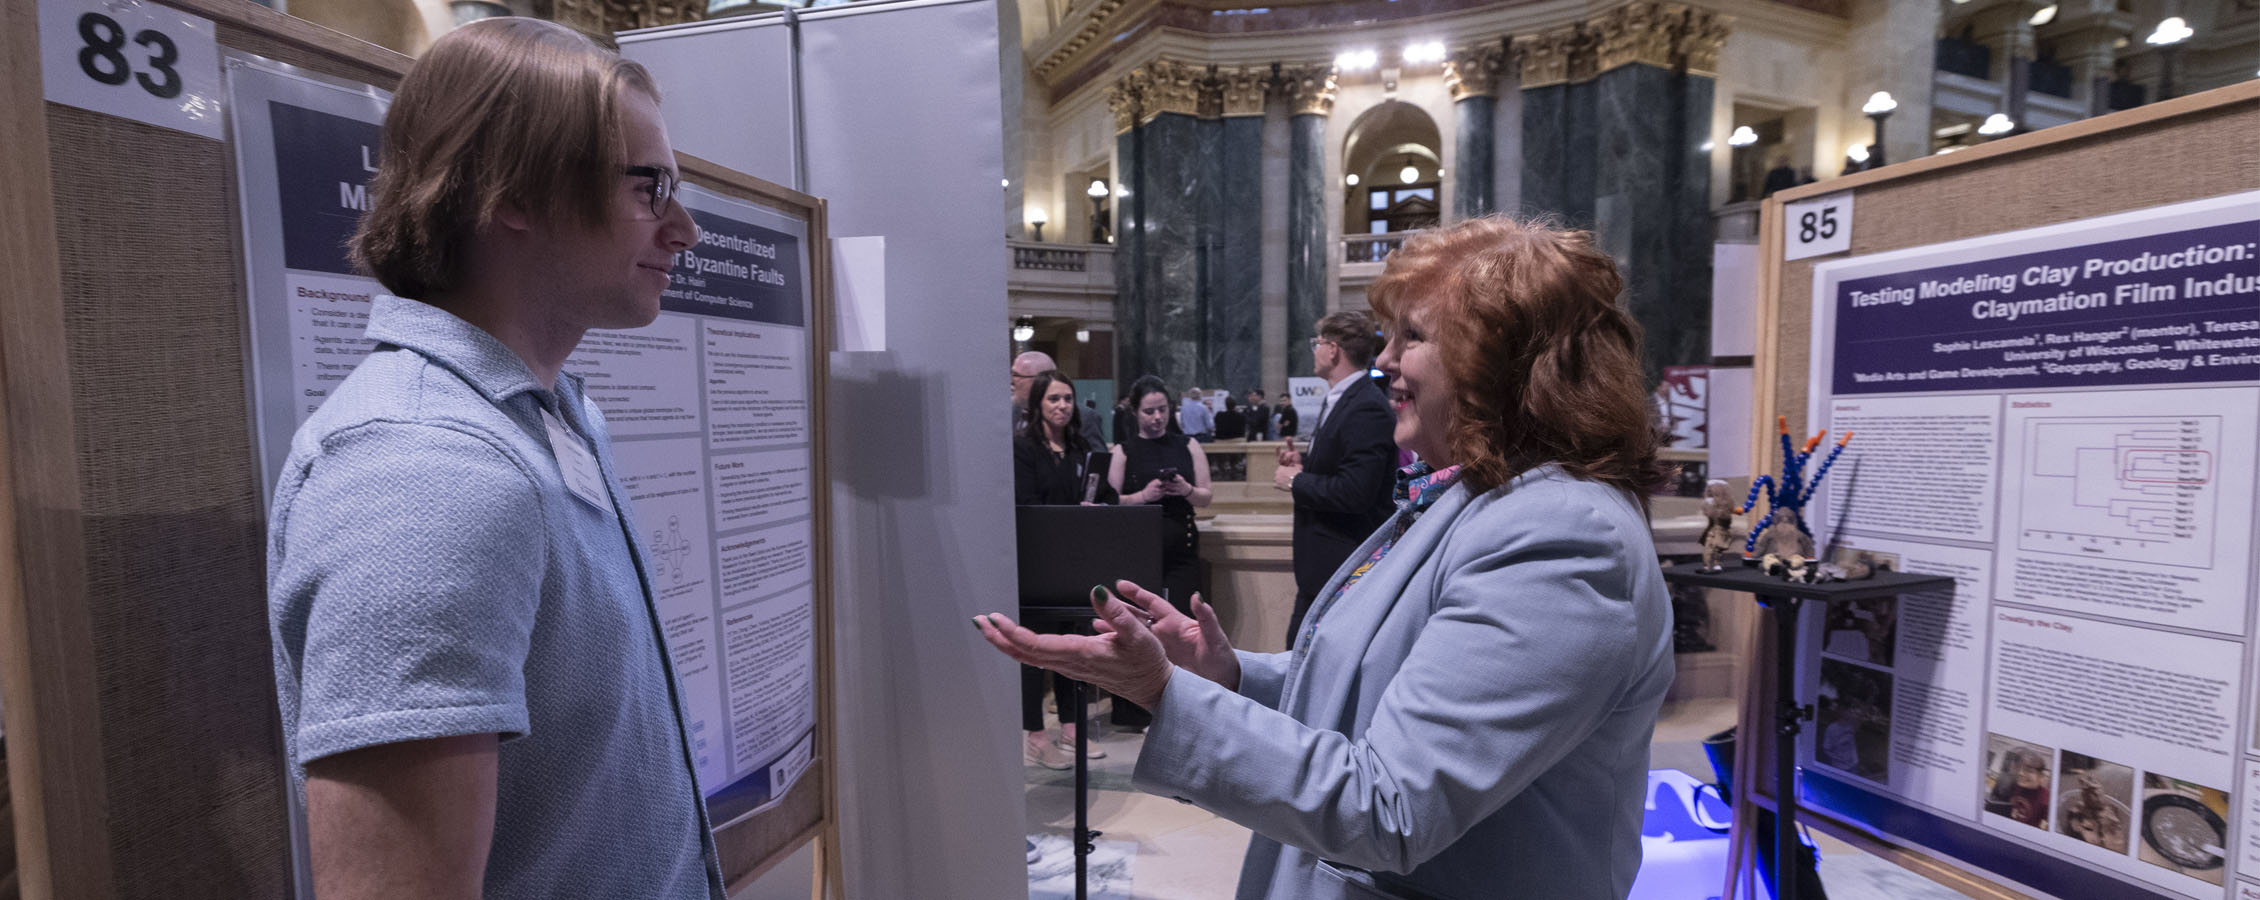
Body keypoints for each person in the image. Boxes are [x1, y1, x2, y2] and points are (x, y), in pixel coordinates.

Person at [978, 216, 1675, 900]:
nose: (1385, 363)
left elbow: (1390, 809)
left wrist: (1167, 695)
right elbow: (1380, 680)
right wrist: (1226, 672)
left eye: (1414, 337)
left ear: (1500, 361)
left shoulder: (1562, 537)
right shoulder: (1485, 498)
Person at [266, 18, 721, 900]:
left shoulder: (545, 417)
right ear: (514, 194)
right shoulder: (424, 468)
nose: (685, 229)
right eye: (649, 187)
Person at [1274, 310, 1398, 643]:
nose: (1314, 350)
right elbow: (1342, 466)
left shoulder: (1366, 406)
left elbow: (1355, 491)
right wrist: (1303, 465)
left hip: (1342, 568)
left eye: (1317, 343)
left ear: (1333, 349)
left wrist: (1295, 481)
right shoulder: (1345, 400)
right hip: (1322, 571)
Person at [1013, 371, 1115, 768]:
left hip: (1074, 563)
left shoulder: (1078, 448)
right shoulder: (1024, 448)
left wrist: (1095, 507)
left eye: (1067, 398)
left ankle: (1073, 729)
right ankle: (1036, 737)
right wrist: (1072, 513)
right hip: (1038, 563)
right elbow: (1027, 504)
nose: (1062, 406)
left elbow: (1105, 492)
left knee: (1075, 646)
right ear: (1038, 403)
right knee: (1035, 650)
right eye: (1054, 399)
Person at [1011, 349, 1058, 433]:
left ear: (1039, 381)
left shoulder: (1082, 418)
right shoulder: (1003, 415)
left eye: (1016, 375)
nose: (1011, 381)